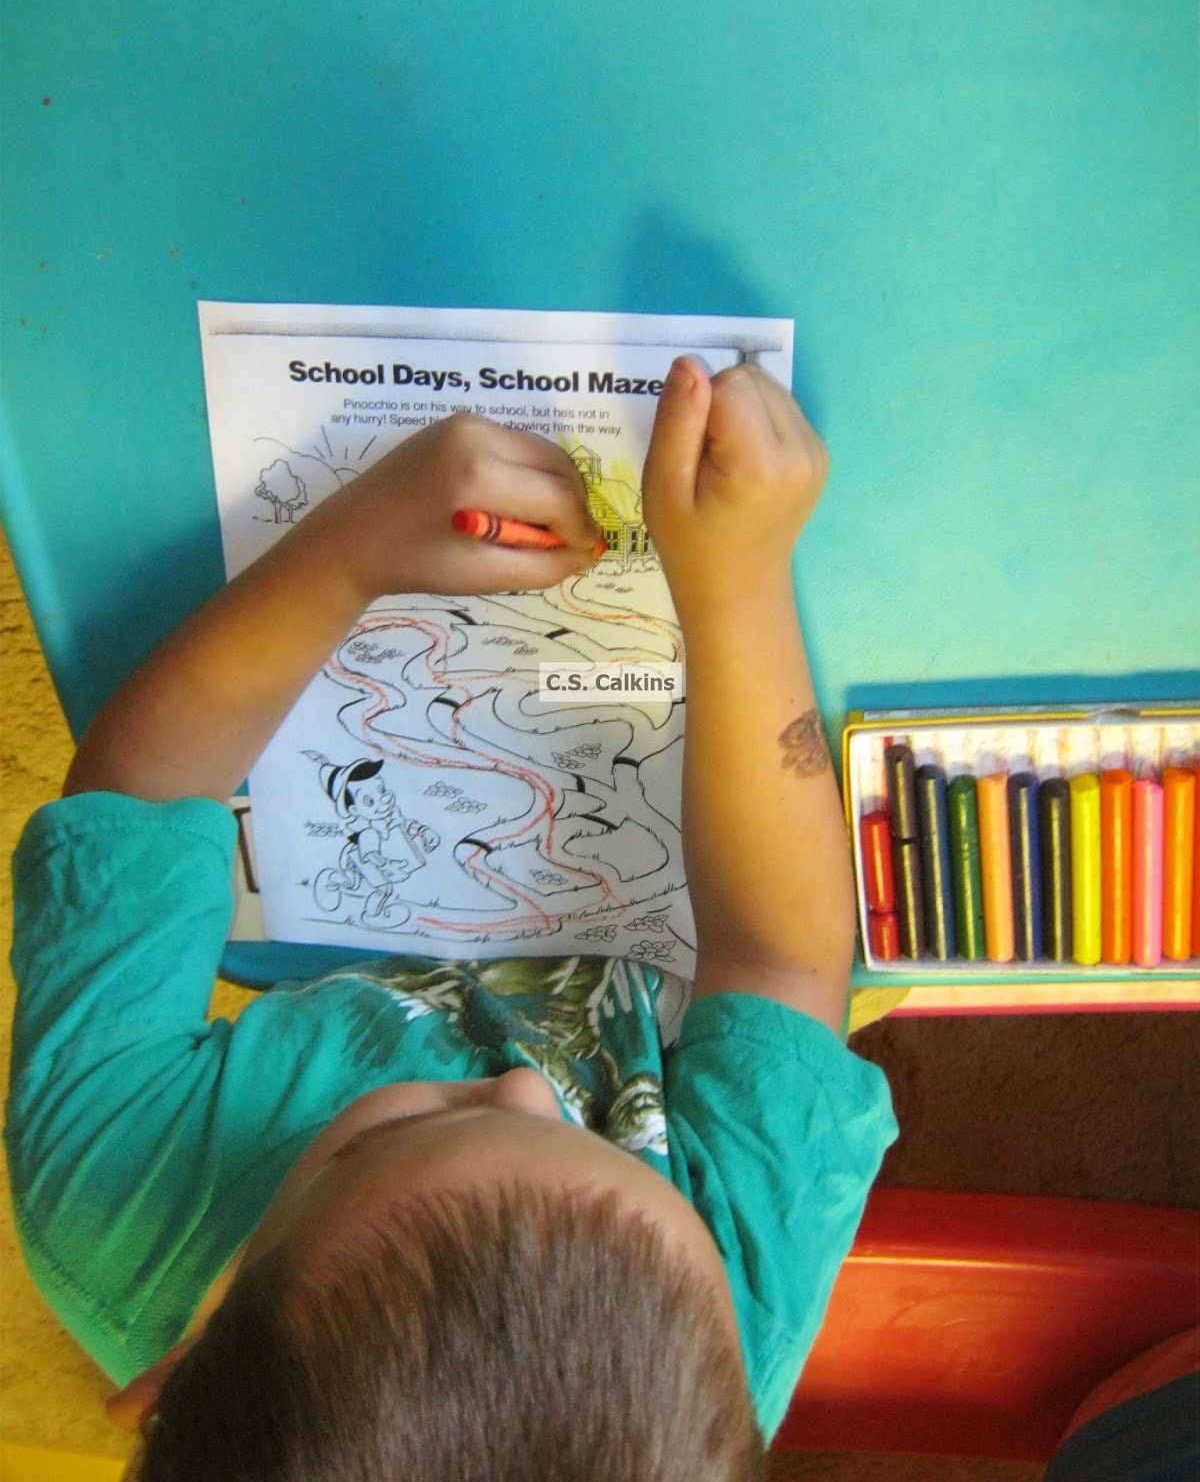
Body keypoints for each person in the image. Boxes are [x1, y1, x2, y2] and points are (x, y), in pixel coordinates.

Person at [6, 357, 898, 1480]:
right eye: (588, 1140)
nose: (526, 1086)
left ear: (171, 1373)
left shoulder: (108, 1191)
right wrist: (737, 582)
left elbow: (132, 805)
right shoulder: (713, 1348)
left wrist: (346, 553)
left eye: (390, 1134)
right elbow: (781, 963)